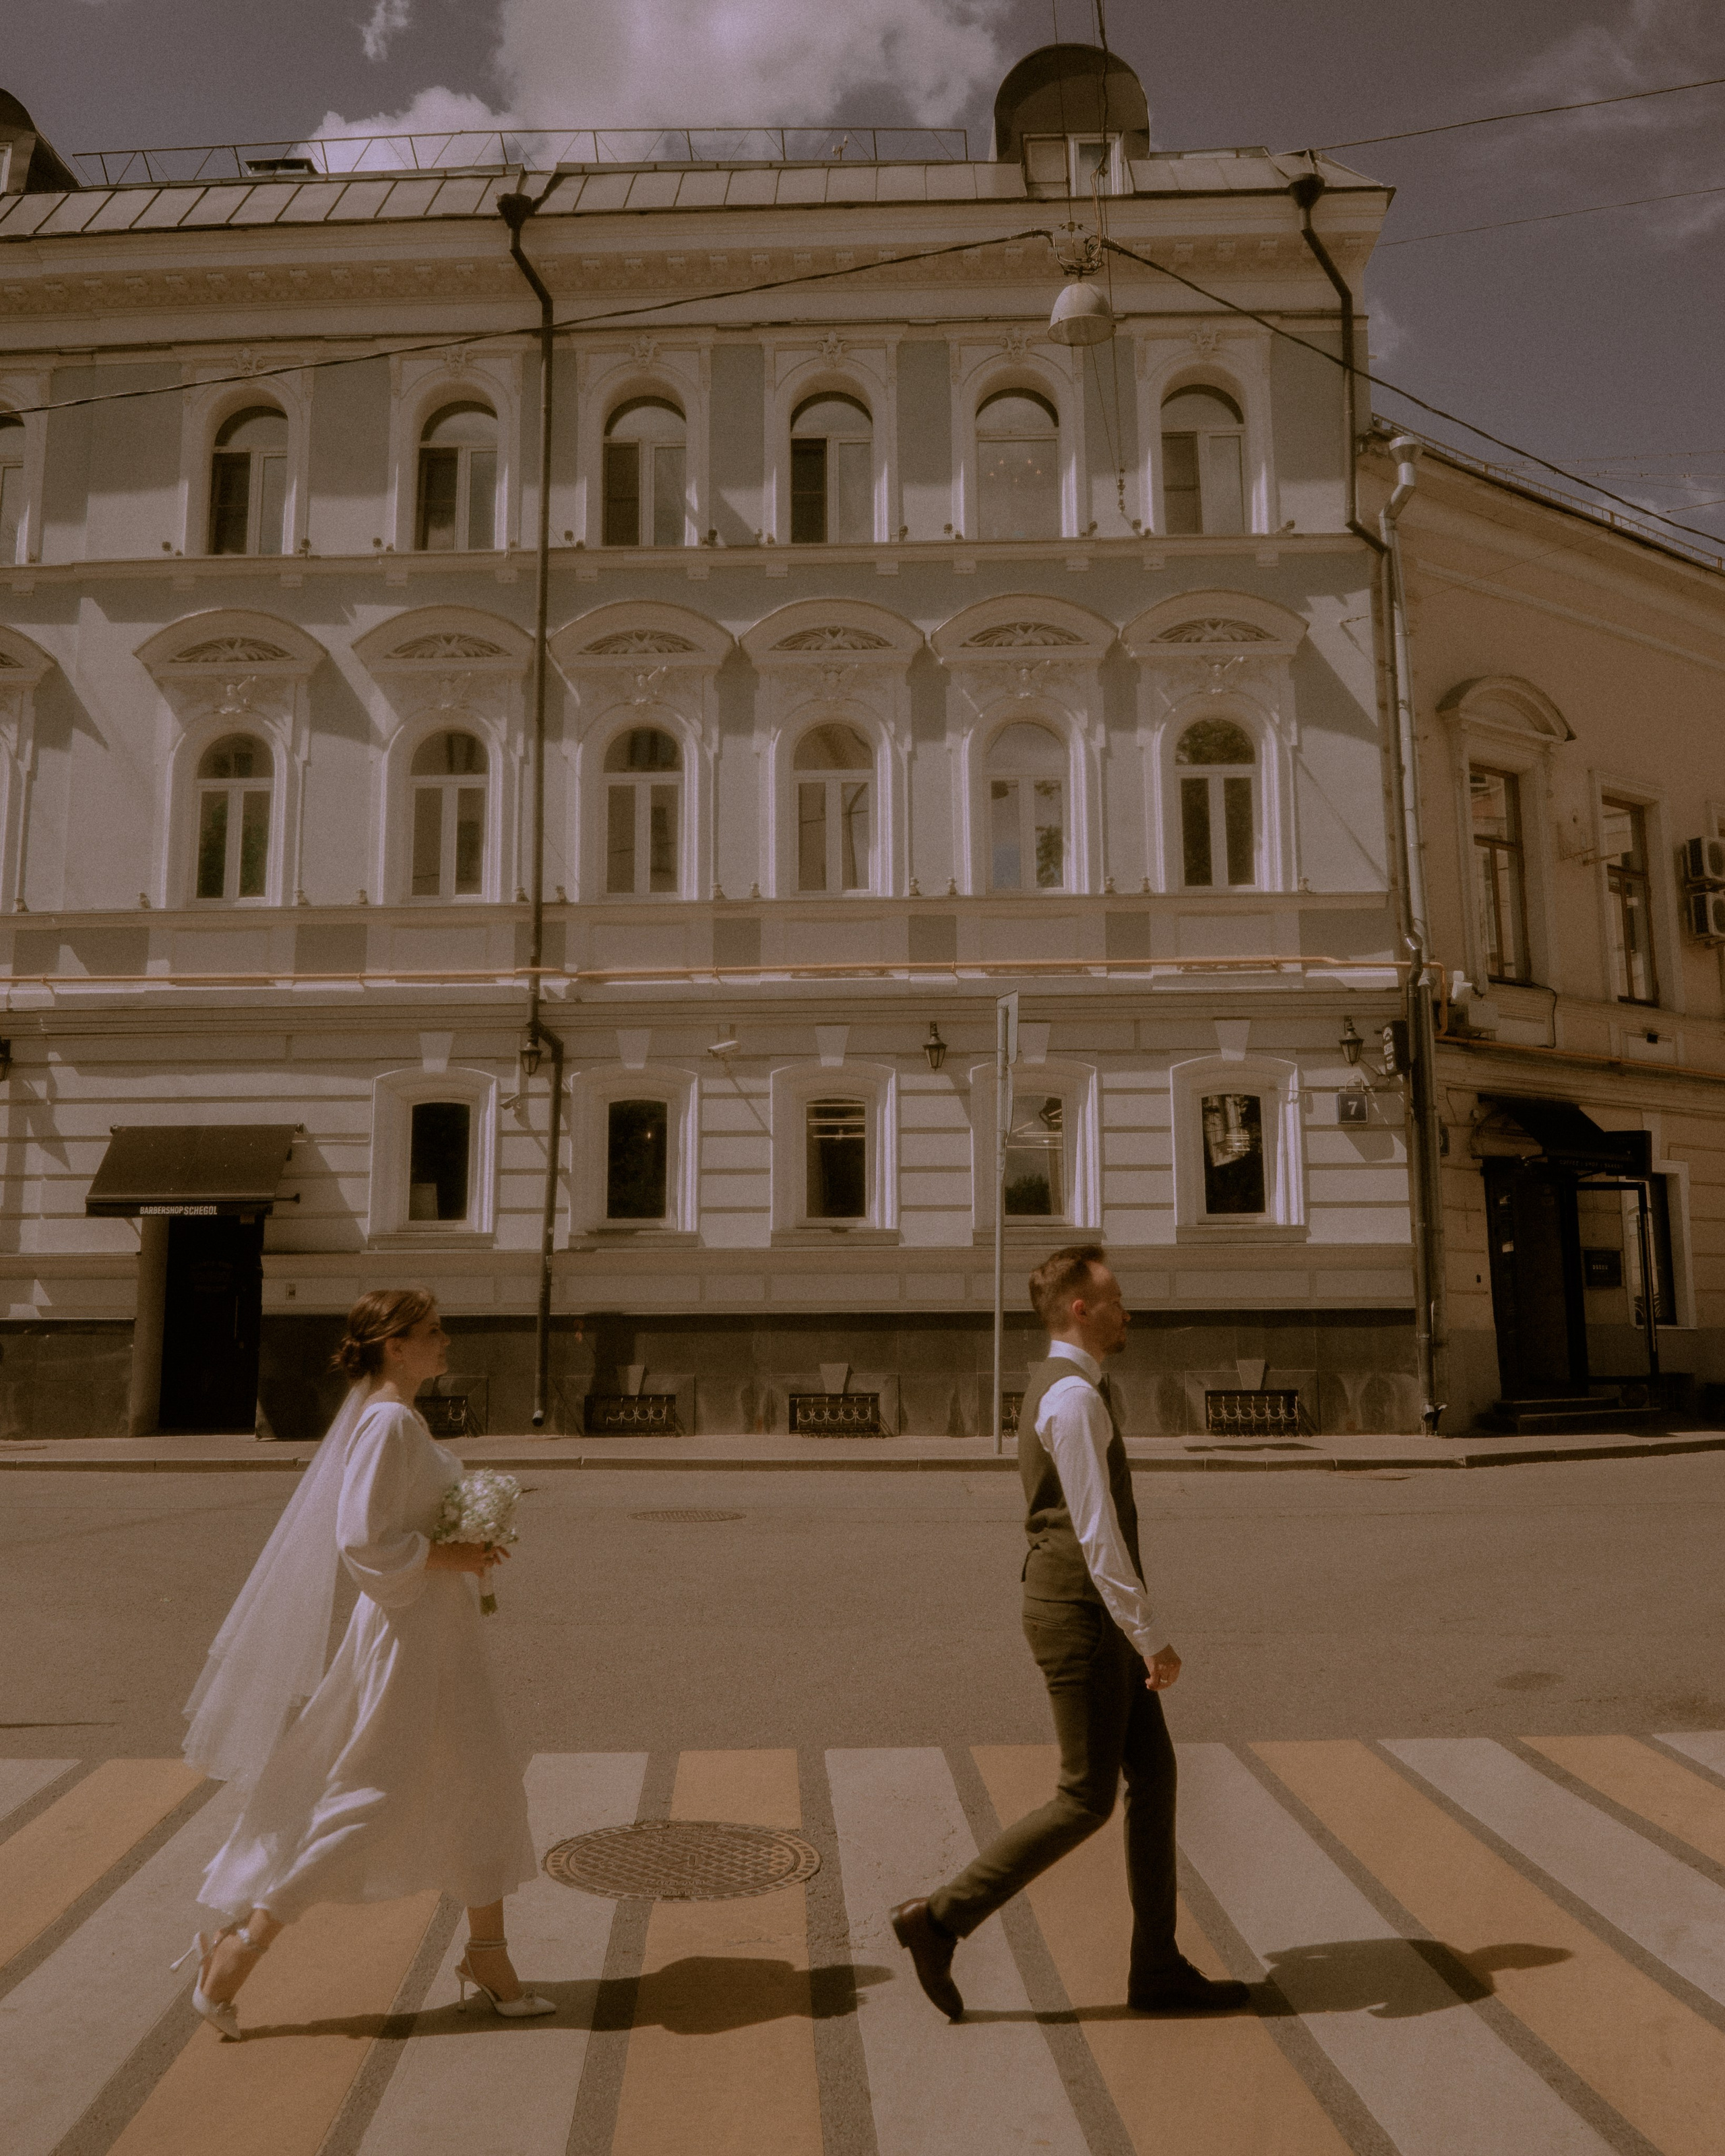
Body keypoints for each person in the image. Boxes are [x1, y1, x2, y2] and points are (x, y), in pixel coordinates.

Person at [172, 1288, 550, 2038]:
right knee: (370, 1797)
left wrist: (462, 1544)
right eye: (433, 1331)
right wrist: (451, 1553)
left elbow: (399, 1524)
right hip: (409, 1636)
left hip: (441, 1631)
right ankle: (240, 1947)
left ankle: (489, 1956)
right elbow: (361, 1540)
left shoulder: (402, 1418)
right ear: (395, 1346)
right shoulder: (387, 1422)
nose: (446, 1341)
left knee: (484, 1782)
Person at [890, 1244, 1249, 2019]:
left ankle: (1157, 1967)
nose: (1128, 1312)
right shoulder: (1074, 1399)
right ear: (1080, 1309)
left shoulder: (1074, 1386)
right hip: (1082, 1617)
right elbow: (1096, 1532)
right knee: (1084, 1796)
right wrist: (1149, 1633)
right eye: (1115, 1300)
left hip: (1094, 1614)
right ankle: (940, 1918)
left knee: (1154, 1774)